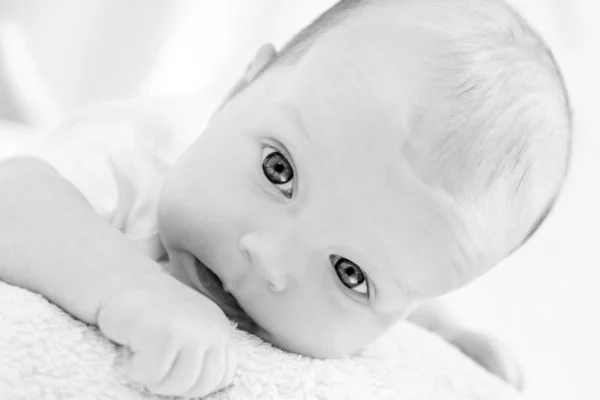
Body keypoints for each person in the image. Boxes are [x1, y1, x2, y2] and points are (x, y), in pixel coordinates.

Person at [0, 0, 571, 397]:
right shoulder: (132, 165)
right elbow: (16, 196)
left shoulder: (396, 261)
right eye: (279, 171)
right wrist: (131, 288)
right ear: (241, 87)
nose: (269, 260)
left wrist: (451, 338)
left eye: (349, 272)